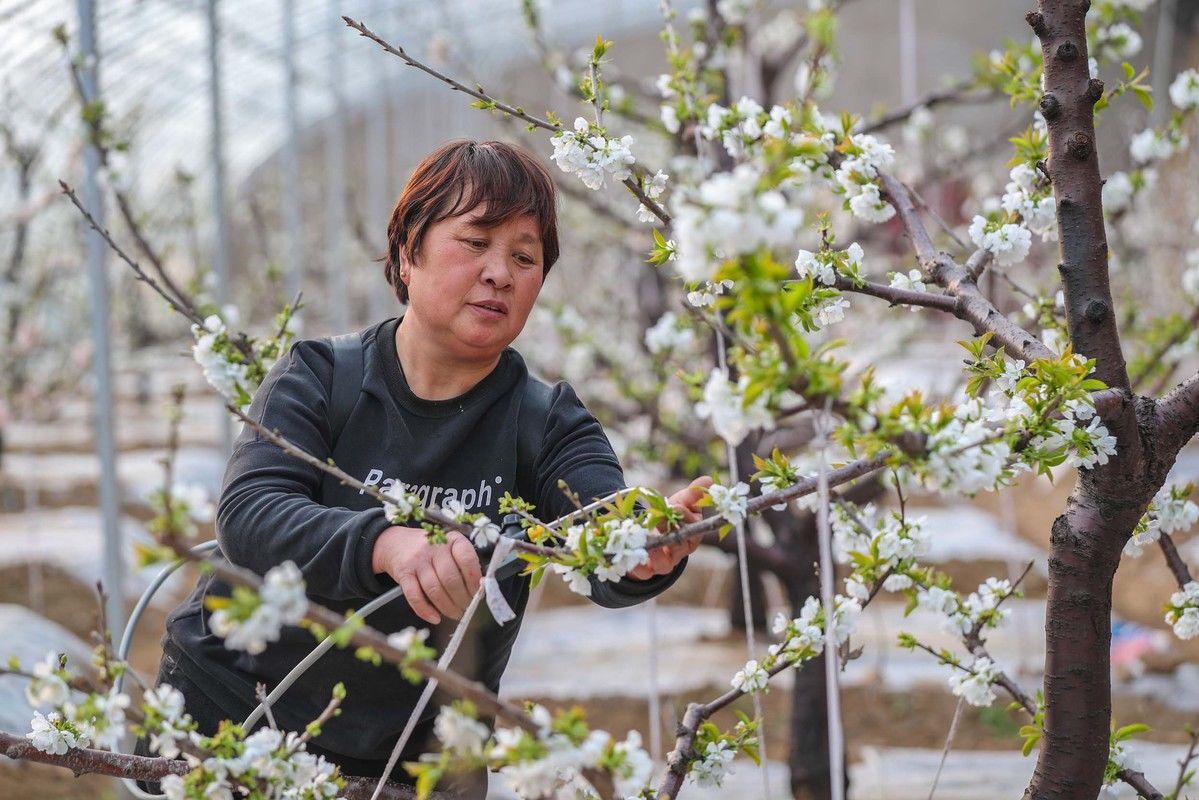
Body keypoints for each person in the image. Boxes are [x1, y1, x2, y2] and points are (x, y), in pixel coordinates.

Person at [144, 139, 709, 787]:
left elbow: (597, 527)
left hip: (418, 756)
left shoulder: (544, 421)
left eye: (524, 257)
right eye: (474, 243)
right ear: (408, 252)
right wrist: (384, 543)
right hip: (239, 714)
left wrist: (638, 549)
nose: (500, 272)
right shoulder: (322, 378)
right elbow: (250, 515)